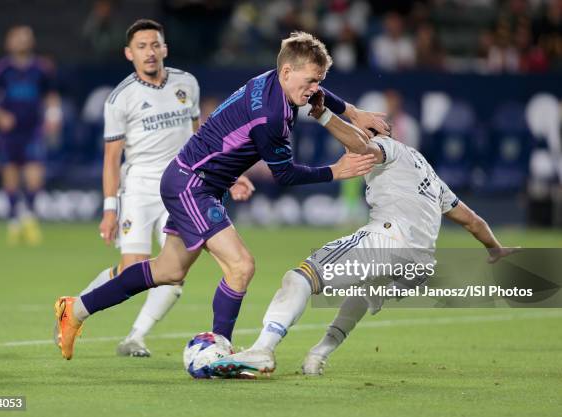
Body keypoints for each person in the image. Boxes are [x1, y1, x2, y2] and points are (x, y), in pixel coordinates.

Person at [54, 31, 389, 361]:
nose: (315, 88)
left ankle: (75, 309)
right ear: (288, 72)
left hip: (193, 180)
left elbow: (317, 96)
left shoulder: (273, 80)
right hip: (192, 185)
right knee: (241, 266)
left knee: (168, 270)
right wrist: (336, 171)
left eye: (320, 80)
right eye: (311, 80)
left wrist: (351, 111)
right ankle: (219, 349)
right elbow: (285, 174)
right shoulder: (271, 117)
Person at [213, 92, 519, 376]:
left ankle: (263, 349)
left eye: (361, 132)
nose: (352, 141)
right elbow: (473, 221)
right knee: (361, 293)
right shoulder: (431, 176)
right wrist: (496, 250)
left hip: (389, 239)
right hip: (420, 263)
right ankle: (319, 353)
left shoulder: (389, 147)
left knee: (300, 277)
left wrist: (324, 116)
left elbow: (364, 147)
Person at [77, 19, 255, 358]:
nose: (150, 52)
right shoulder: (120, 99)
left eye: (155, 45)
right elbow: (111, 159)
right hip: (141, 188)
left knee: (173, 272)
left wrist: (229, 176)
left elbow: (200, 138)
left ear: (165, 49)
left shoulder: (186, 83)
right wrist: (109, 209)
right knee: (134, 270)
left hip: (182, 187)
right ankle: (74, 309)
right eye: (142, 47)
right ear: (129, 53)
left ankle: (135, 337)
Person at [0, 25, 62, 245]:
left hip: (33, 130)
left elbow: (51, 96)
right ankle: (14, 222)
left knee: (35, 177)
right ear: (9, 42)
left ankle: (30, 218)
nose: (22, 41)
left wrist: (53, 116)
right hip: (9, 133)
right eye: (17, 38)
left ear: (32, 42)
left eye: (26, 38)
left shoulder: (41, 69)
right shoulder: (1, 70)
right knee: (10, 178)